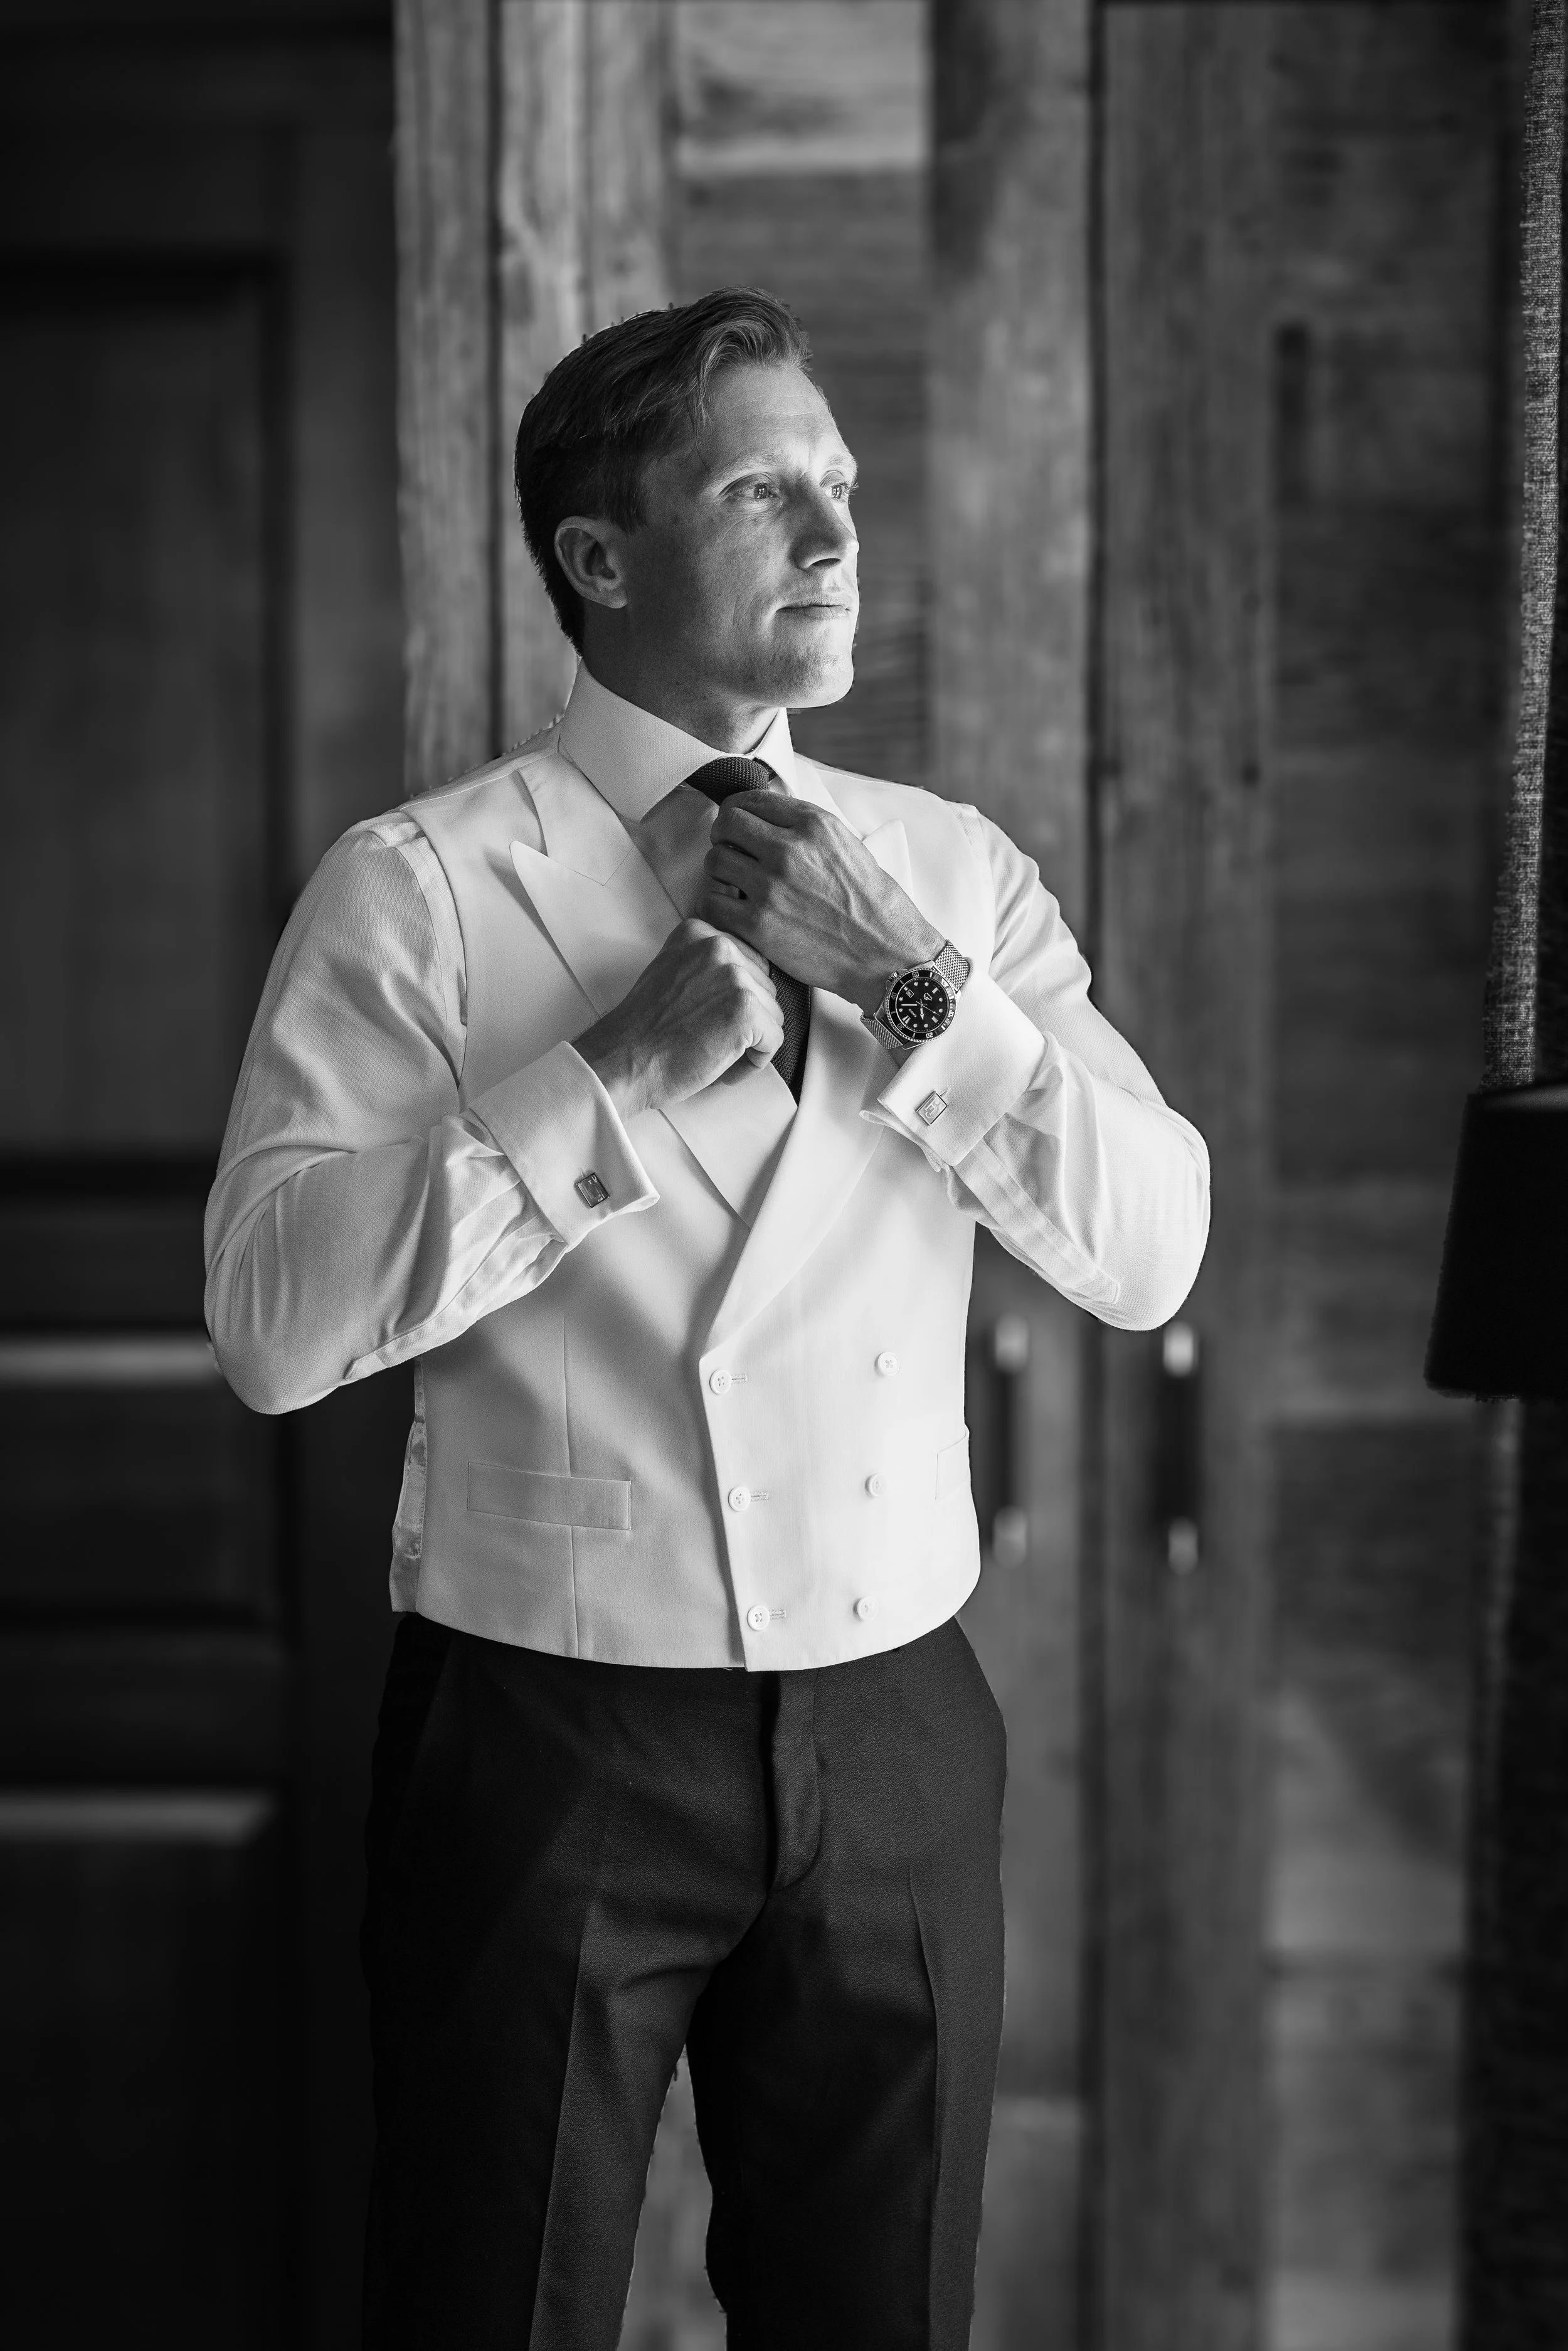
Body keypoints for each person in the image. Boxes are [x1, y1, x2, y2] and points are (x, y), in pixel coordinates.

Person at [205, 285, 1209, 2351]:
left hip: (896, 1716)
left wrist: (912, 990)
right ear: (600, 554)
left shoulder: (948, 876)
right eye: (764, 491)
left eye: (838, 482)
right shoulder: (416, 892)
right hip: (544, 1725)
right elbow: (272, 1326)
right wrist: (610, 1081)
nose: (838, 533)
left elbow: (1150, 1247)